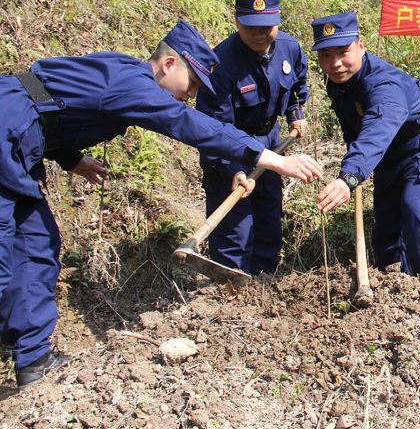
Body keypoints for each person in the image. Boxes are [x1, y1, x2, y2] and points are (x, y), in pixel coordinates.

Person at [0, 20, 323, 389]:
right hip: (6, 131)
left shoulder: (123, 74)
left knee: (36, 245)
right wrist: (271, 158)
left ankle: (33, 360)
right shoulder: (133, 85)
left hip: (19, 143)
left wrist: (70, 157)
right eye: (193, 83)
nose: (191, 95)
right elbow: (185, 122)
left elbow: (52, 104)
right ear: (170, 65)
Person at [313, 12, 420, 279]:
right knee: (387, 226)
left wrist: (350, 175)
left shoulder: (384, 87)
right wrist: (357, 163)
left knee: (416, 210)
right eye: (325, 55)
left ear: (360, 46)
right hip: (386, 153)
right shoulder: (338, 82)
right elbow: (355, 128)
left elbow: (377, 130)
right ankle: (393, 287)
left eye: (343, 52)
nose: (334, 63)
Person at [196, 0, 310, 276]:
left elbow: (298, 84)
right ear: (236, 19)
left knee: (268, 223)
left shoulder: (289, 48)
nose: (260, 35)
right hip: (229, 150)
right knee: (236, 230)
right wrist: (233, 170)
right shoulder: (221, 66)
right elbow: (213, 131)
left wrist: (294, 113)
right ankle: (232, 296)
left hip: (271, 145)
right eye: (251, 27)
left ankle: (264, 288)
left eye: (267, 26)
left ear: (278, 19)